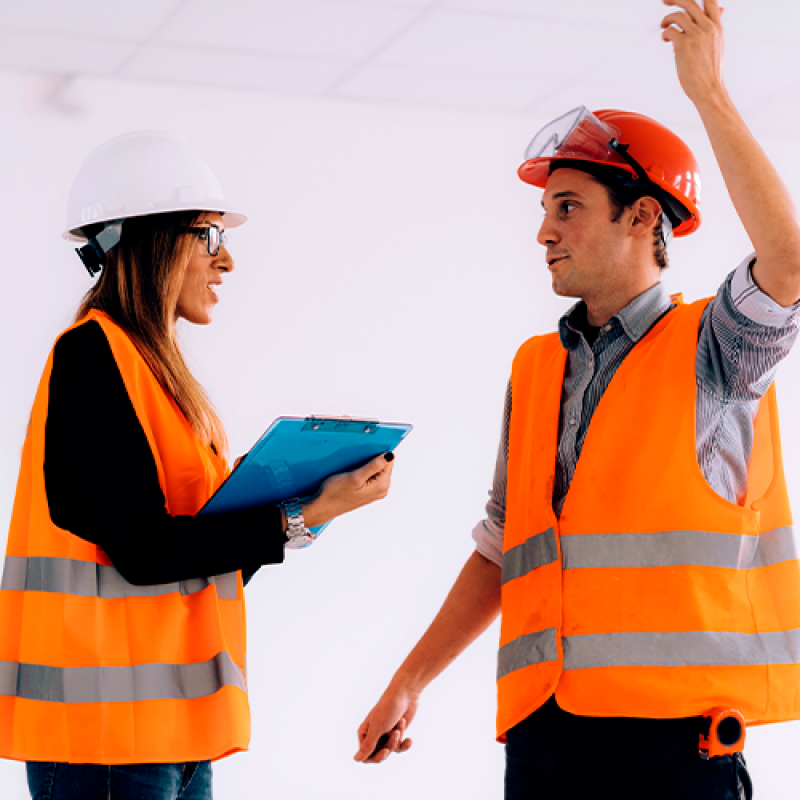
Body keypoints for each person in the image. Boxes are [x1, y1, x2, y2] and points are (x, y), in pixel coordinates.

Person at [354, 2, 800, 798]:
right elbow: (503, 548)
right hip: (544, 742)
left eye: (567, 208)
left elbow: (789, 264)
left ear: (640, 218)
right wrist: (411, 679)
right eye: (544, 211)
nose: (544, 232)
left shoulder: (717, 351)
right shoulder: (536, 369)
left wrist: (709, 93)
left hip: (673, 754)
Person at [0, 130, 395, 800]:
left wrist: (292, 504)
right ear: (153, 242)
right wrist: (303, 513)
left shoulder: (158, 380)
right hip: (104, 742)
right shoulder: (92, 359)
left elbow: (197, 568)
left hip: (167, 735)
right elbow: (145, 552)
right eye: (211, 236)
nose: (229, 262)